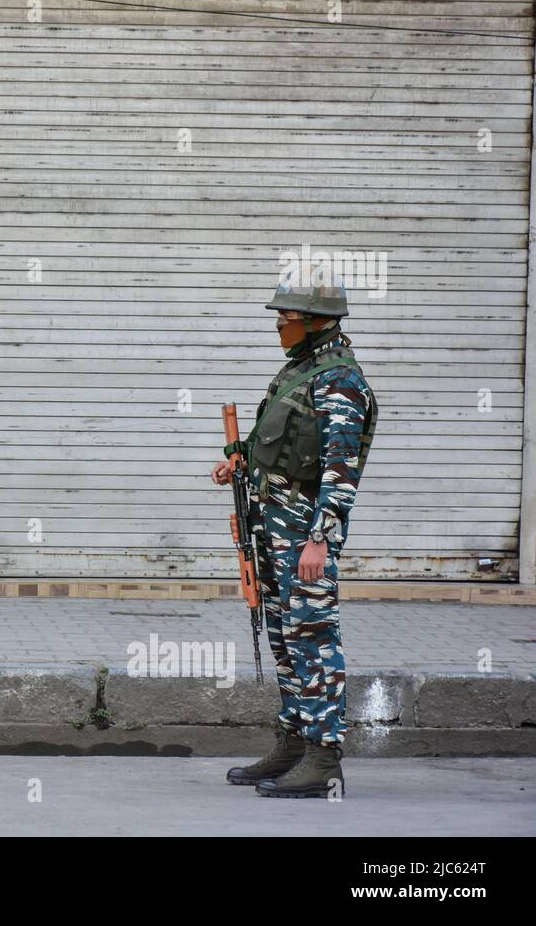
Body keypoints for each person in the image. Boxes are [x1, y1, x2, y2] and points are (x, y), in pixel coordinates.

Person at [211, 267, 377, 798]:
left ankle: (324, 758)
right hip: (272, 530)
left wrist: (320, 539)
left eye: (286, 318)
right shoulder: (298, 374)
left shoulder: (342, 383)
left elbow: (339, 470)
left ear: (316, 321)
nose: (280, 327)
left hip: (304, 536)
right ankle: (292, 742)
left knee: (314, 640)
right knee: (284, 638)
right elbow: (278, 444)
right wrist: (239, 462)